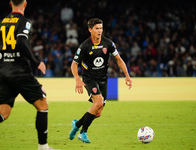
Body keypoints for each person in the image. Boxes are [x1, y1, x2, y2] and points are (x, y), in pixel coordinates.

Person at [0, 1, 56, 150]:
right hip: (20, 73)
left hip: (4, 72)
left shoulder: (2, 22)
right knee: (43, 105)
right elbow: (20, 41)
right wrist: (36, 62)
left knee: (3, 113)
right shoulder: (24, 22)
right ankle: (43, 147)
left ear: (10, 3)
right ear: (25, 3)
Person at [69, 18, 132, 143]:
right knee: (98, 103)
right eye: (97, 28)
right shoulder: (85, 46)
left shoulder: (108, 43)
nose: (100, 31)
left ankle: (77, 125)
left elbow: (118, 59)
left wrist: (127, 75)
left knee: (98, 111)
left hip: (103, 79)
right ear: (90, 30)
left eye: (101, 28)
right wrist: (77, 79)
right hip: (89, 78)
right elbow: (74, 64)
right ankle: (83, 132)